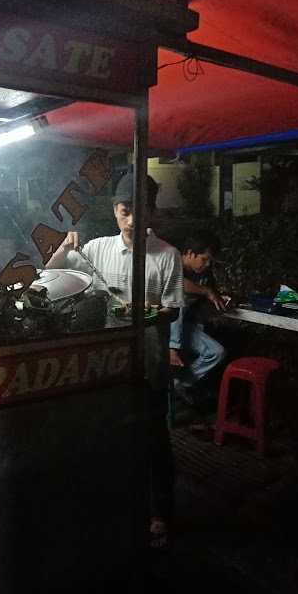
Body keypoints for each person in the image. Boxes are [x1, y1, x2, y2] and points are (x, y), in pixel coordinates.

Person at [47, 172, 184, 549]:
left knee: (155, 438)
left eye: (141, 210)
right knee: (109, 434)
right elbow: (56, 274)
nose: (132, 219)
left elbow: (172, 311)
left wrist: (145, 312)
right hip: (106, 364)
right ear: (115, 211)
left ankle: (160, 513)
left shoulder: (167, 255)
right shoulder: (96, 249)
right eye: (125, 210)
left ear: (151, 211)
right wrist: (63, 246)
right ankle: (114, 506)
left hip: (149, 361)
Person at [169, 231, 229, 406]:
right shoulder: (171, 262)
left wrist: (219, 297)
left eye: (210, 260)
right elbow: (178, 284)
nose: (207, 264)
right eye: (204, 259)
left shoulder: (203, 273)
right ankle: (173, 349)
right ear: (188, 253)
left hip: (186, 327)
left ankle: (181, 384)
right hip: (161, 326)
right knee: (177, 301)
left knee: (216, 352)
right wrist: (207, 292)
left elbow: (207, 293)